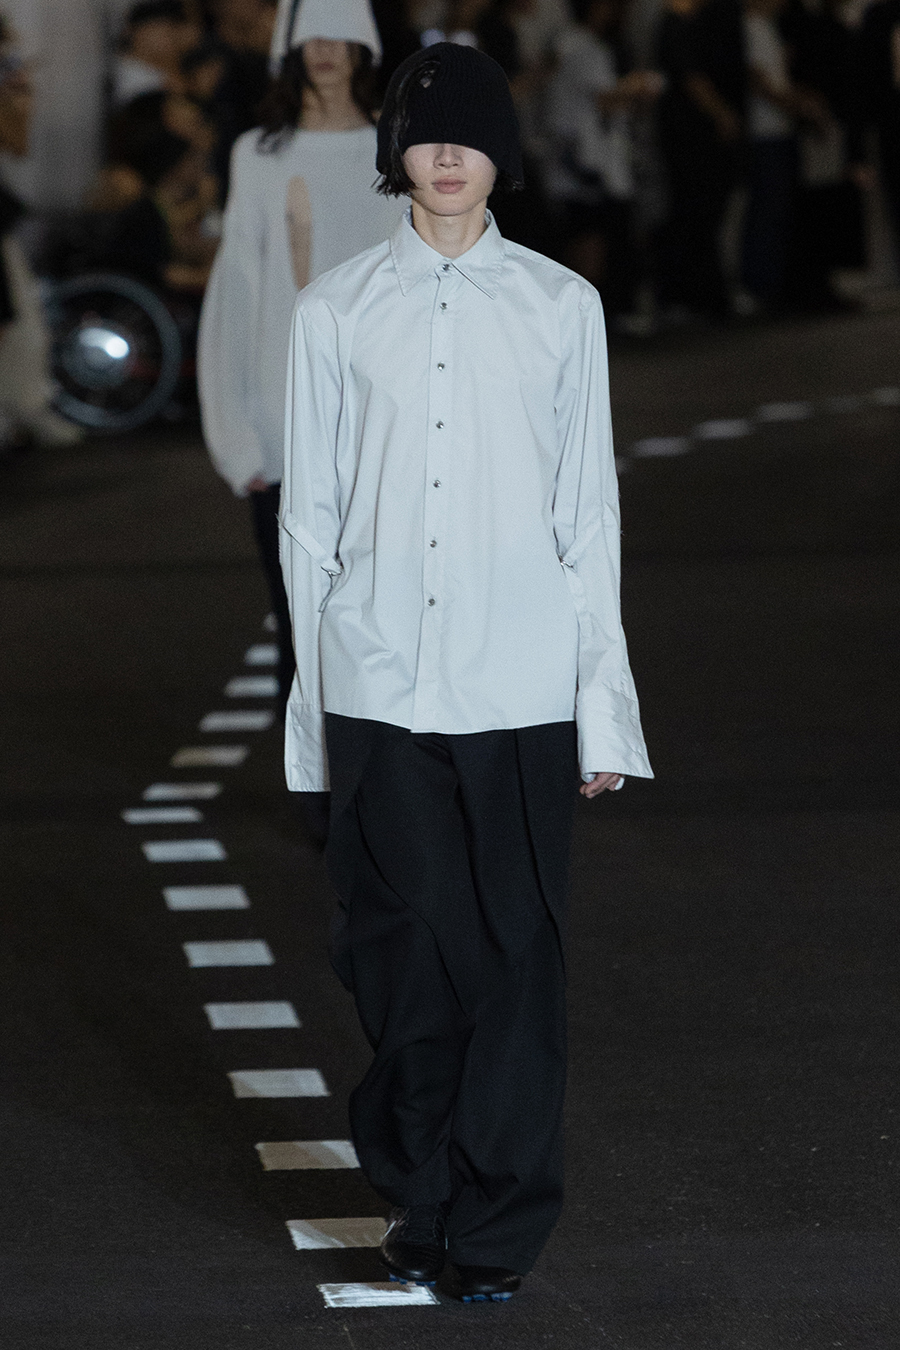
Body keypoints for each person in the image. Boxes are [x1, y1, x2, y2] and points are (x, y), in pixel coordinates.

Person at [279, 42, 653, 1302]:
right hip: (376, 679)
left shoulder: (560, 305)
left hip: (519, 686)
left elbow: (587, 515)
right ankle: (419, 1184)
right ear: (396, 153)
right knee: (394, 957)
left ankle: (492, 1228)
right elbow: (308, 528)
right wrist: (310, 723)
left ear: (502, 153)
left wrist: (604, 709)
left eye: (472, 133)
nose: (447, 155)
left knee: (515, 961)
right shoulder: (334, 311)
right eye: (427, 134)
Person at [197, 0, 403, 719]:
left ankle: (377, 769)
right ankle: (315, 775)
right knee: (299, 615)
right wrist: (236, 436)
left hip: (386, 418)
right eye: (310, 34)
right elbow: (237, 288)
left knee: (384, 613)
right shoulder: (258, 154)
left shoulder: (397, 150)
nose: (324, 48)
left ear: (364, 45)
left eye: (339, 33)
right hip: (282, 415)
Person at [545, 0, 661, 316]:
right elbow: (604, 96)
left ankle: (594, 311)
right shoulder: (577, 45)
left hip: (586, 154)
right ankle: (584, 313)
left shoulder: (576, 43)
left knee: (594, 230)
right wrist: (638, 86)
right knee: (589, 232)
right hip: (581, 157)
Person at [654, 0, 746, 319]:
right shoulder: (675, 25)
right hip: (689, 137)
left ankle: (697, 293)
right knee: (697, 212)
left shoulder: (702, 22)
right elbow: (691, 77)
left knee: (702, 213)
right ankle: (701, 295)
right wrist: (722, 114)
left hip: (696, 136)